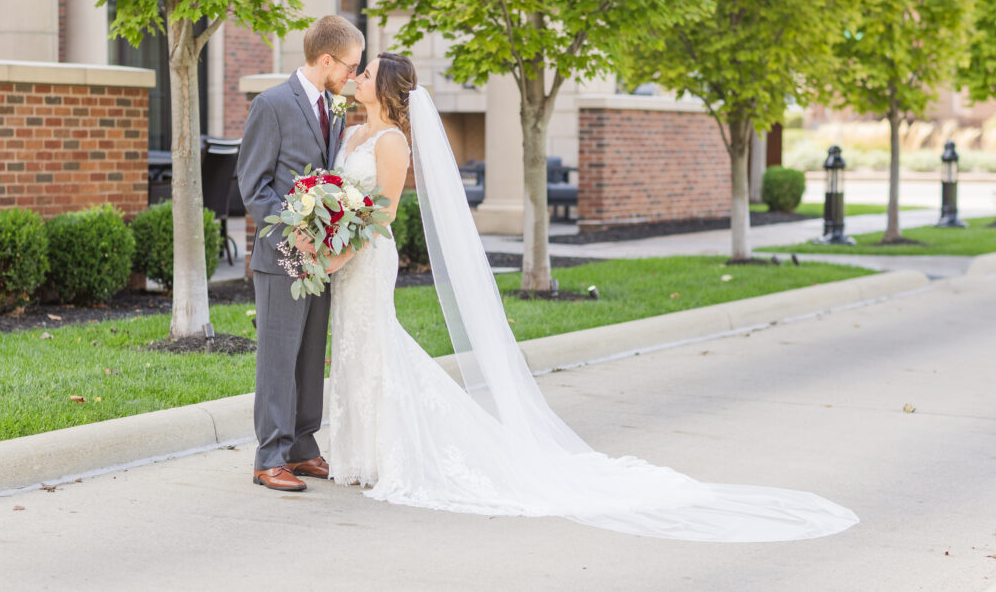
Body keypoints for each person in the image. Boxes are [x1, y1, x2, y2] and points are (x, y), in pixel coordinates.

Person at [325, 52, 859, 541]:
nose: (359, 76)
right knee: (352, 343)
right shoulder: (351, 137)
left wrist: (343, 246)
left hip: (368, 256)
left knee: (375, 345)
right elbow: (340, 194)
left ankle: (387, 455)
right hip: (344, 256)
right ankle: (358, 454)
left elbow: (386, 210)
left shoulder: (392, 142)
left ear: (388, 90)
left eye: (368, 73)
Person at [236, 15, 364, 492]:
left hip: (322, 256)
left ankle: (303, 448)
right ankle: (268, 458)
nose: (353, 74)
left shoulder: (335, 108)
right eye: (350, 65)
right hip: (281, 256)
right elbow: (254, 185)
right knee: (278, 357)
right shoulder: (271, 105)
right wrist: (296, 232)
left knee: (311, 356)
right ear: (326, 59)